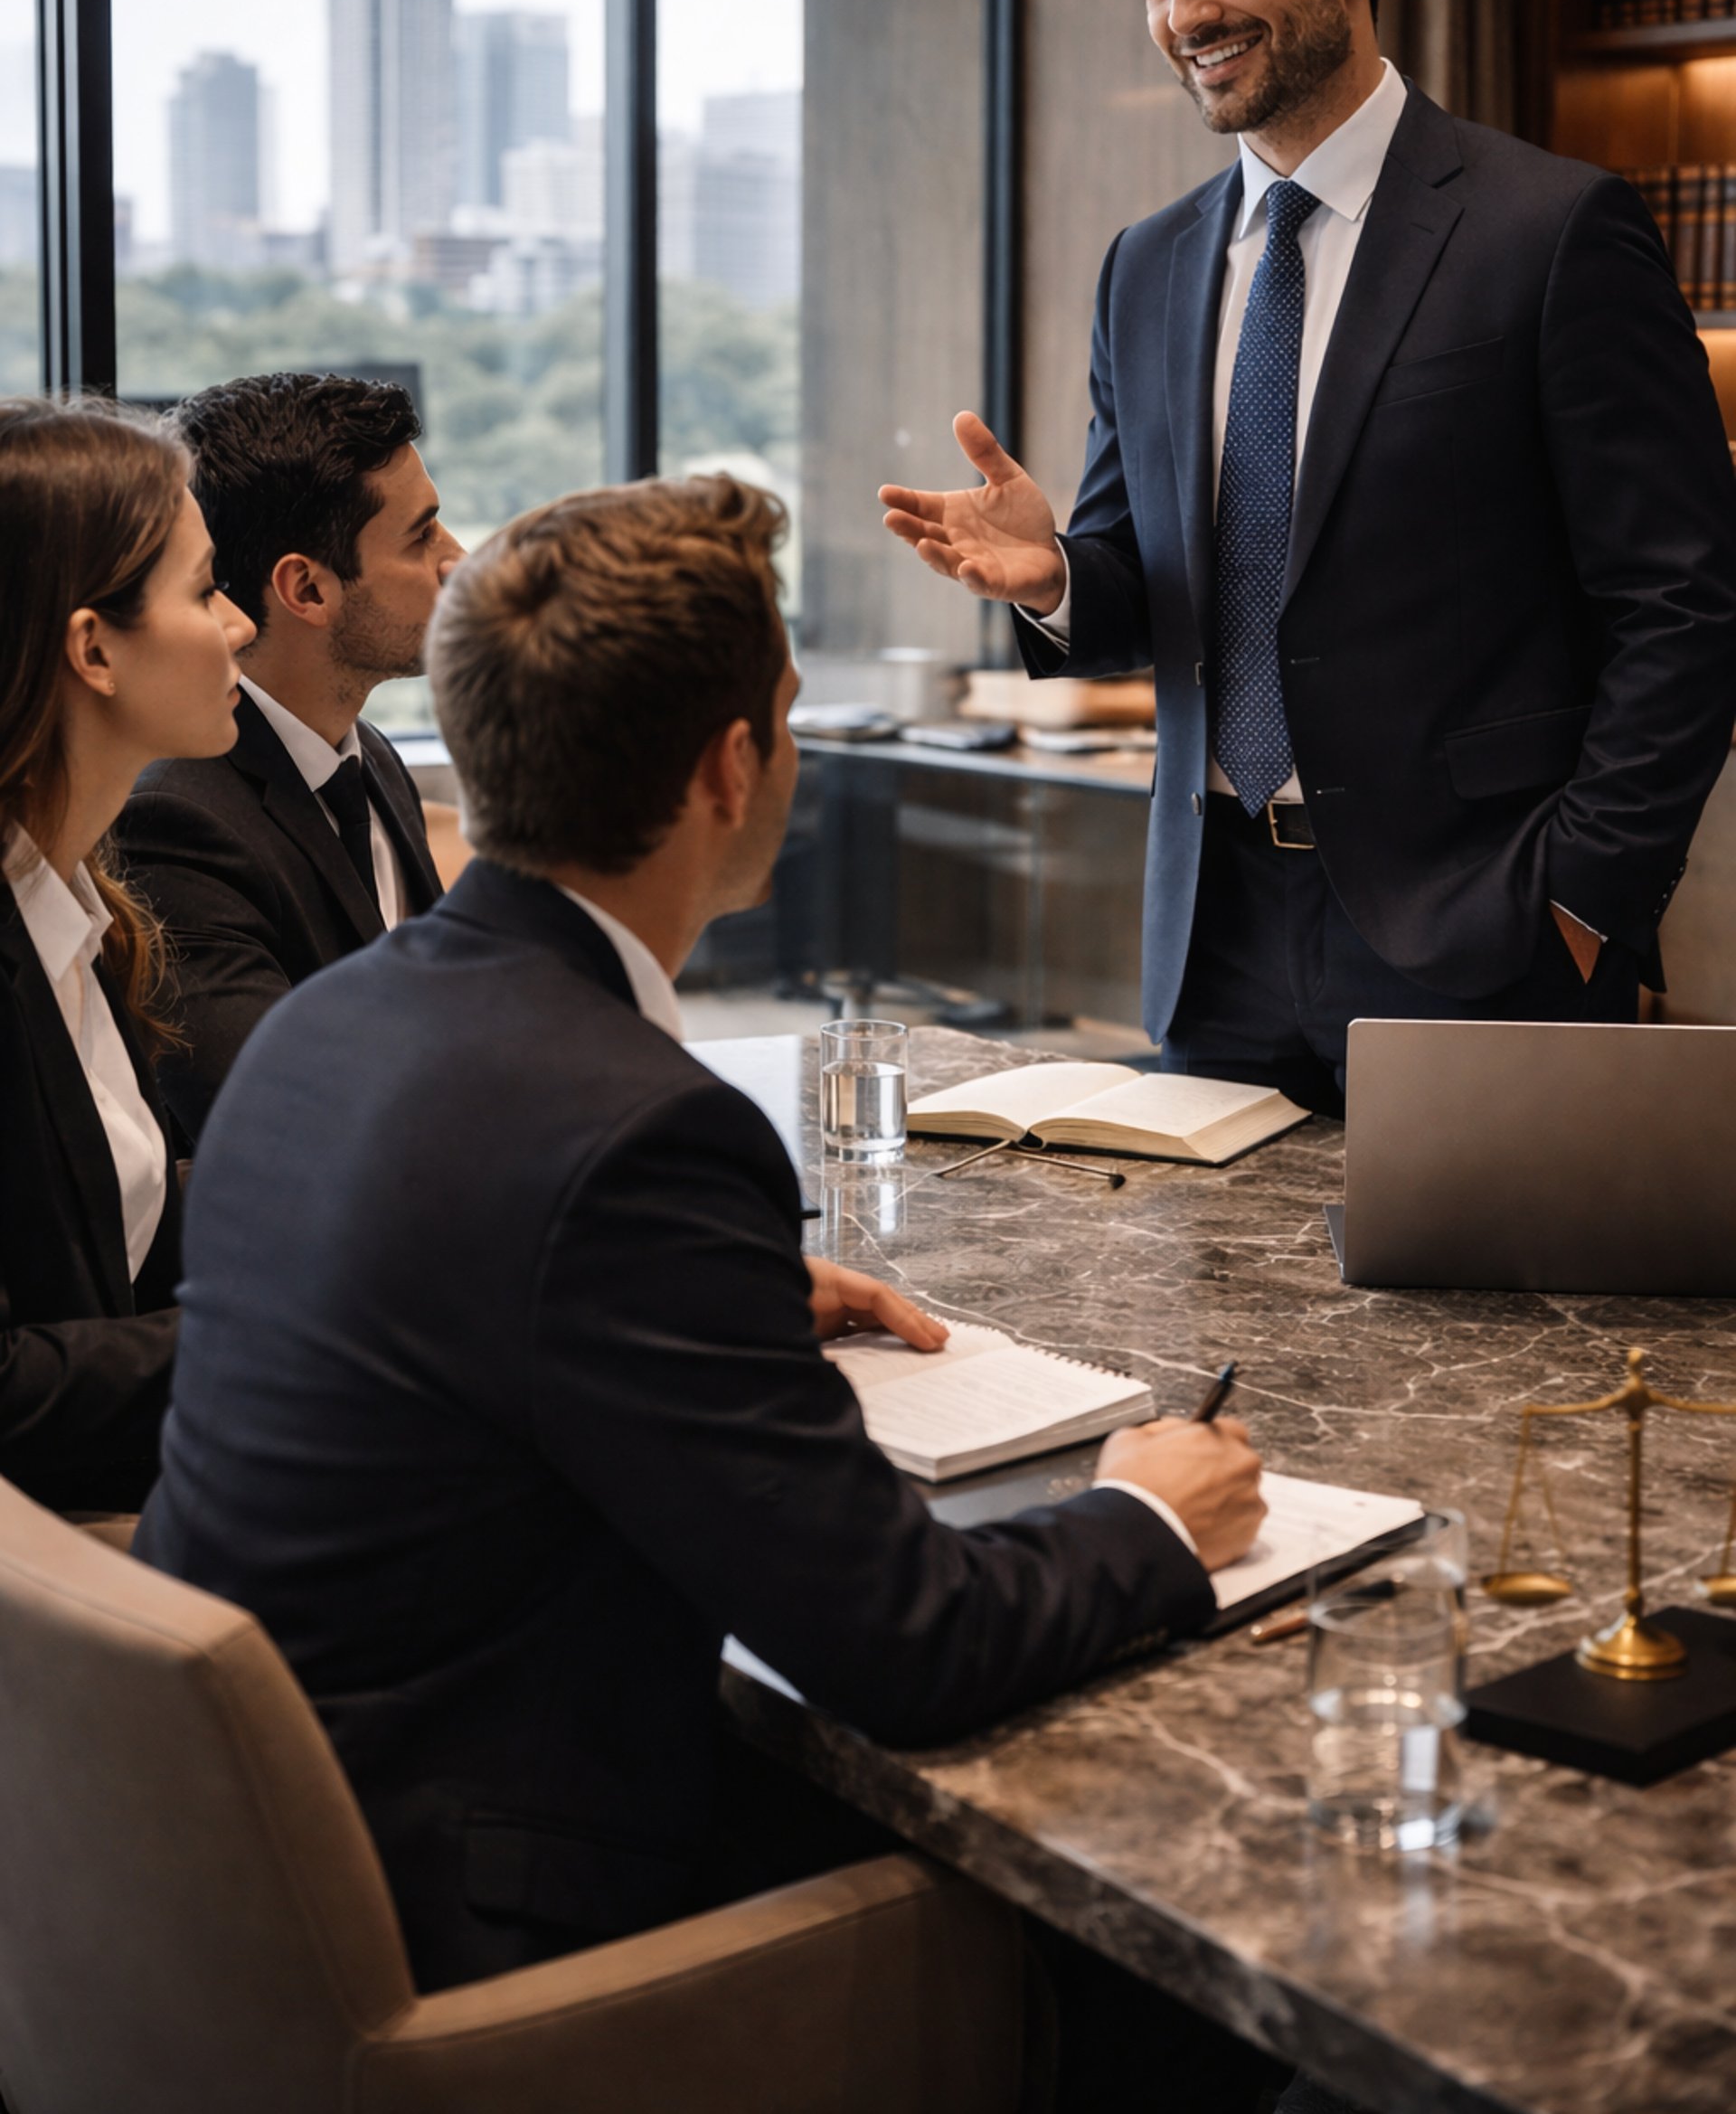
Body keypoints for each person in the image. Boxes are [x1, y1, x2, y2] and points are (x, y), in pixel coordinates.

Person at [136, 474, 1265, 2001]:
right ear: (735, 766)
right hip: (496, 1939)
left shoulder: (333, 1019)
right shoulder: (640, 1132)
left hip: (243, 1898)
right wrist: (1144, 1515)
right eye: (787, 717)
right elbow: (908, 1648)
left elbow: (462, 1302)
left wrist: (708, 1304)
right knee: (1168, 1955)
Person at [881, 0, 1736, 1112]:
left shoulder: (1553, 233)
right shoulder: (1147, 266)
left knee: (1483, 1331)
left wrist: (1586, 897)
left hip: (1486, 936)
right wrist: (1055, 579)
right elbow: (1150, 593)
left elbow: (1685, 607)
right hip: (1210, 939)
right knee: (1219, 1323)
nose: (1186, 14)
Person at [0, 398, 251, 1510]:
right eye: (204, 589)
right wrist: (297, 1341)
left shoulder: (78, 911)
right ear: (93, 648)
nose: (239, 623)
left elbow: (121, 1208)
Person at [116, 371, 458, 1140]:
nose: (456, 557)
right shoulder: (171, 817)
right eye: (422, 534)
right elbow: (280, 1112)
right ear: (306, 589)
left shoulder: (367, 754)